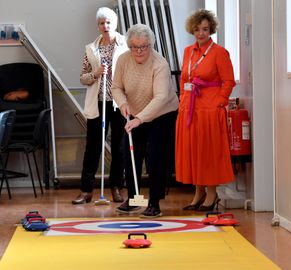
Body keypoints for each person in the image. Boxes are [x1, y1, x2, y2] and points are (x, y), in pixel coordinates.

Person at [111, 24, 178, 218]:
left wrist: (140, 119)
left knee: (155, 156)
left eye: (144, 46)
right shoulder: (123, 60)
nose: (139, 51)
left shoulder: (160, 64)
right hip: (134, 112)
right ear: (129, 46)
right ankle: (134, 200)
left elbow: (160, 98)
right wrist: (123, 104)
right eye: (134, 46)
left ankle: (154, 202)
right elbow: (116, 87)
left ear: (151, 45)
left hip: (162, 113)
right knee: (131, 154)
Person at [175, 9, 236, 211]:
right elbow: (184, 79)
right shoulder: (188, 51)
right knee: (194, 151)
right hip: (190, 108)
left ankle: (212, 194)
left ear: (211, 30)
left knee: (209, 152)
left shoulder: (219, 52)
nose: (201, 33)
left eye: (205, 29)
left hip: (210, 109)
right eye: (197, 29)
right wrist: (183, 101)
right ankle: (198, 192)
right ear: (192, 29)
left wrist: (220, 102)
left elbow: (228, 81)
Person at [72, 7, 128, 204]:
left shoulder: (126, 45)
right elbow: (83, 78)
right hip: (98, 103)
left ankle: (116, 188)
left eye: (108, 22)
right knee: (93, 147)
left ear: (115, 23)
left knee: (119, 147)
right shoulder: (90, 49)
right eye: (101, 23)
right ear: (98, 25)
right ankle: (86, 190)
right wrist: (96, 73)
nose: (105, 26)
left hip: (120, 103)